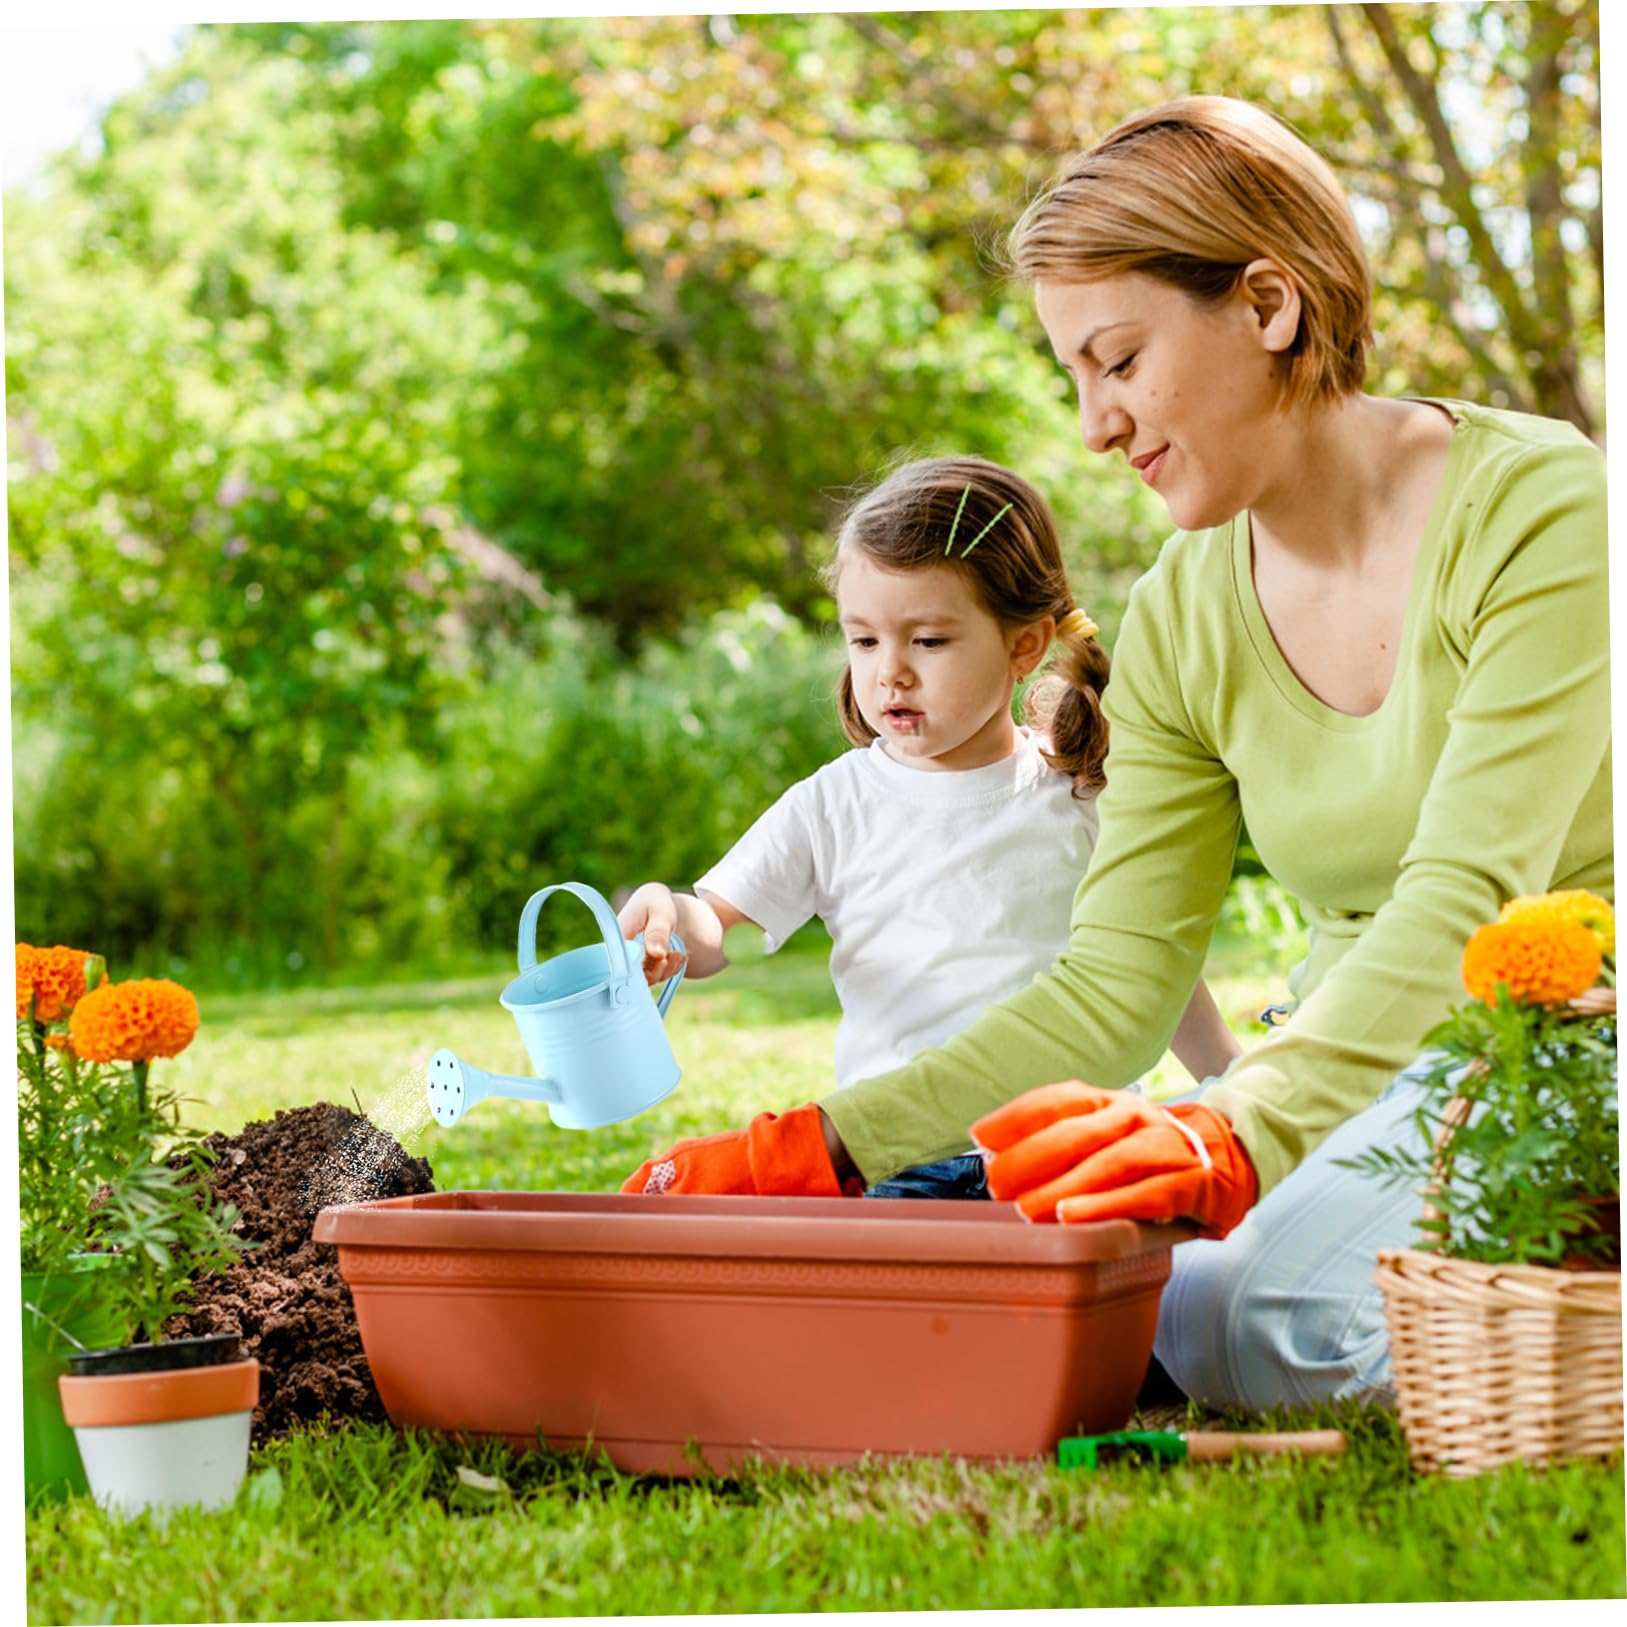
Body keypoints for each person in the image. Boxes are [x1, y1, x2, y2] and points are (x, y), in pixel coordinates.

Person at [621, 97, 1611, 1408]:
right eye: (1072, 378)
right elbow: (1110, 987)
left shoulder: (1544, 515)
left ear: (1266, 304)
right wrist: (824, 1146)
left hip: (1564, 1037)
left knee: (1247, 1318)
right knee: (1125, 1284)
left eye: (1119, 360)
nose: (1093, 424)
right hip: (1346, 1056)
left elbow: (1464, 899)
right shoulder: (1183, 614)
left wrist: (1232, 1129)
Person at [618, 455, 1241, 1200]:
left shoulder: (1079, 794)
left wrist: (1229, 1082)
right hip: (902, 1157)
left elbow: (1148, 970)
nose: (890, 673)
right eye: (864, 641)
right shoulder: (834, 804)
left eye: (929, 640)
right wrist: (668, 919)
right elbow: (715, 926)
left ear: (1023, 645)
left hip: (1070, 1146)